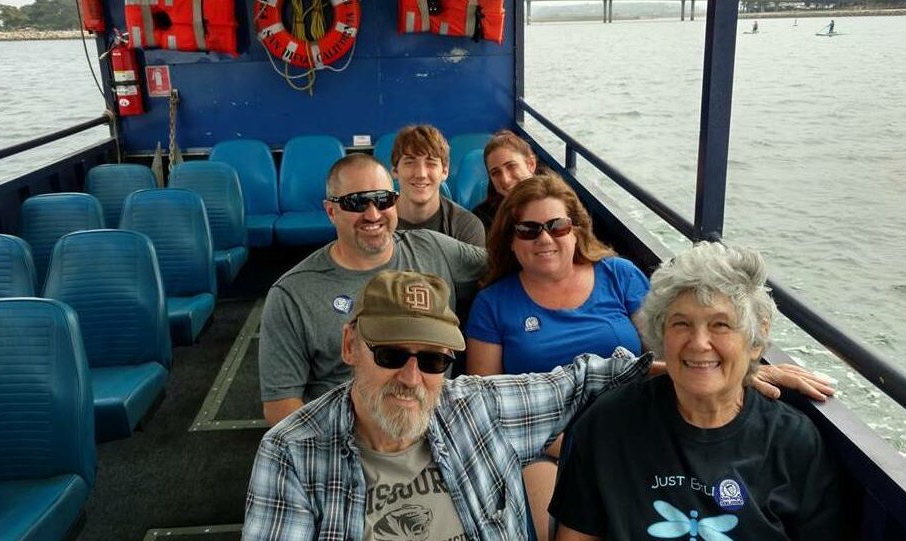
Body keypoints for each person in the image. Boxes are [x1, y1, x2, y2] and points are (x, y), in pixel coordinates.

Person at [244, 270, 656, 541]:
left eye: (433, 360)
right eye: (390, 355)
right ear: (350, 346)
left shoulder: (478, 408)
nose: (410, 377)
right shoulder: (293, 451)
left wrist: (697, 371)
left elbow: (586, 378)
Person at [550, 242, 844, 541]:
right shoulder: (608, 425)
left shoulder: (792, 442)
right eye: (681, 324)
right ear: (661, 335)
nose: (699, 342)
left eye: (720, 324)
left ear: (756, 340)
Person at [466, 172, 648, 539]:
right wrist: (566, 443)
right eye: (529, 230)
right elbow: (486, 401)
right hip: (543, 442)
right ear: (511, 240)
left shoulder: (619, 276)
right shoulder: (493, 304)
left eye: (557, 226)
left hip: (633, 427)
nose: (545, 238)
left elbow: (666, 356)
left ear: (576, 229)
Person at [258, 153, 486, 426]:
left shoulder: (434, 248)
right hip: (349, 438)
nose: (373, 214)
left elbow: (507, 261)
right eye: (356, 203)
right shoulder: (292, 294)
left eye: (383, 200)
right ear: (331, 211)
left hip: (434, 422)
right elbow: (280, 406)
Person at [391, 124, 485, 246]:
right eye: (410, 162)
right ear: (394, 171)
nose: (421, 174)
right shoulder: (375, 224)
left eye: (431, 163)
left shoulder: (467, 227)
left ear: (445, 171)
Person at [472, 130, 539, 229]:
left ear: (531, 164)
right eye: (496, 173)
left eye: (511, 166)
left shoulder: (556, 202)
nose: (505, 180)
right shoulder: (481, 218)